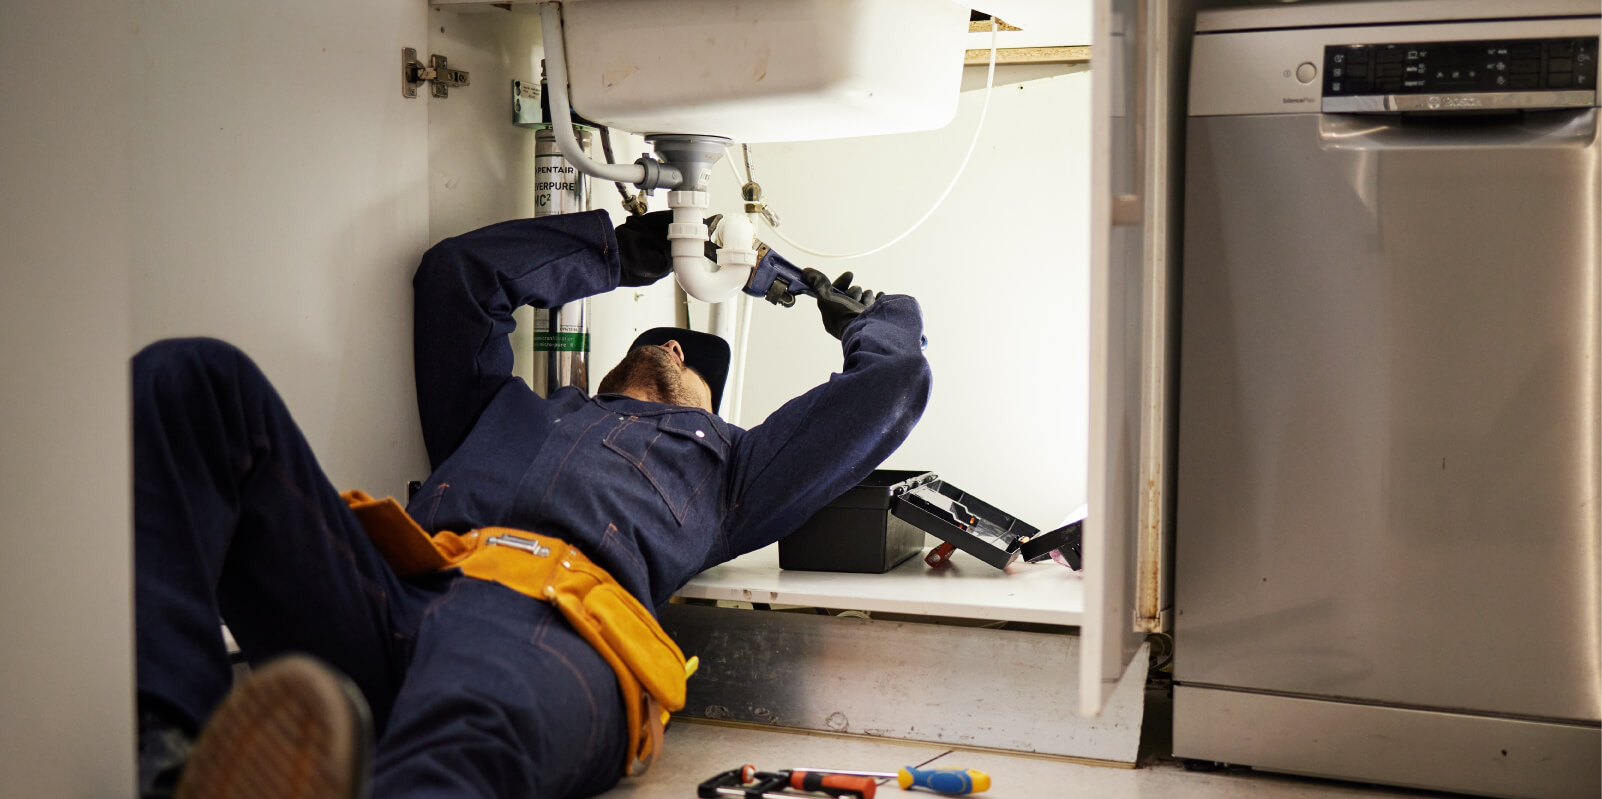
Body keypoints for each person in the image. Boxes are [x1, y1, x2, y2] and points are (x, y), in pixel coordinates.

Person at [133, 208, 932, 799]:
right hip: (400, 593)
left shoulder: (733, 470)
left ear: (710, 414)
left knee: (453, 754)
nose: (678, 349)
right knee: (194, 380)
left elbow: (892, 386)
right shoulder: (500, 406)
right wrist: (628, 249)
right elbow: (459, 277)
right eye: (672, 342)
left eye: (698, 375)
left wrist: (871, 316)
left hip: (554, 631)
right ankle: (165, 754)